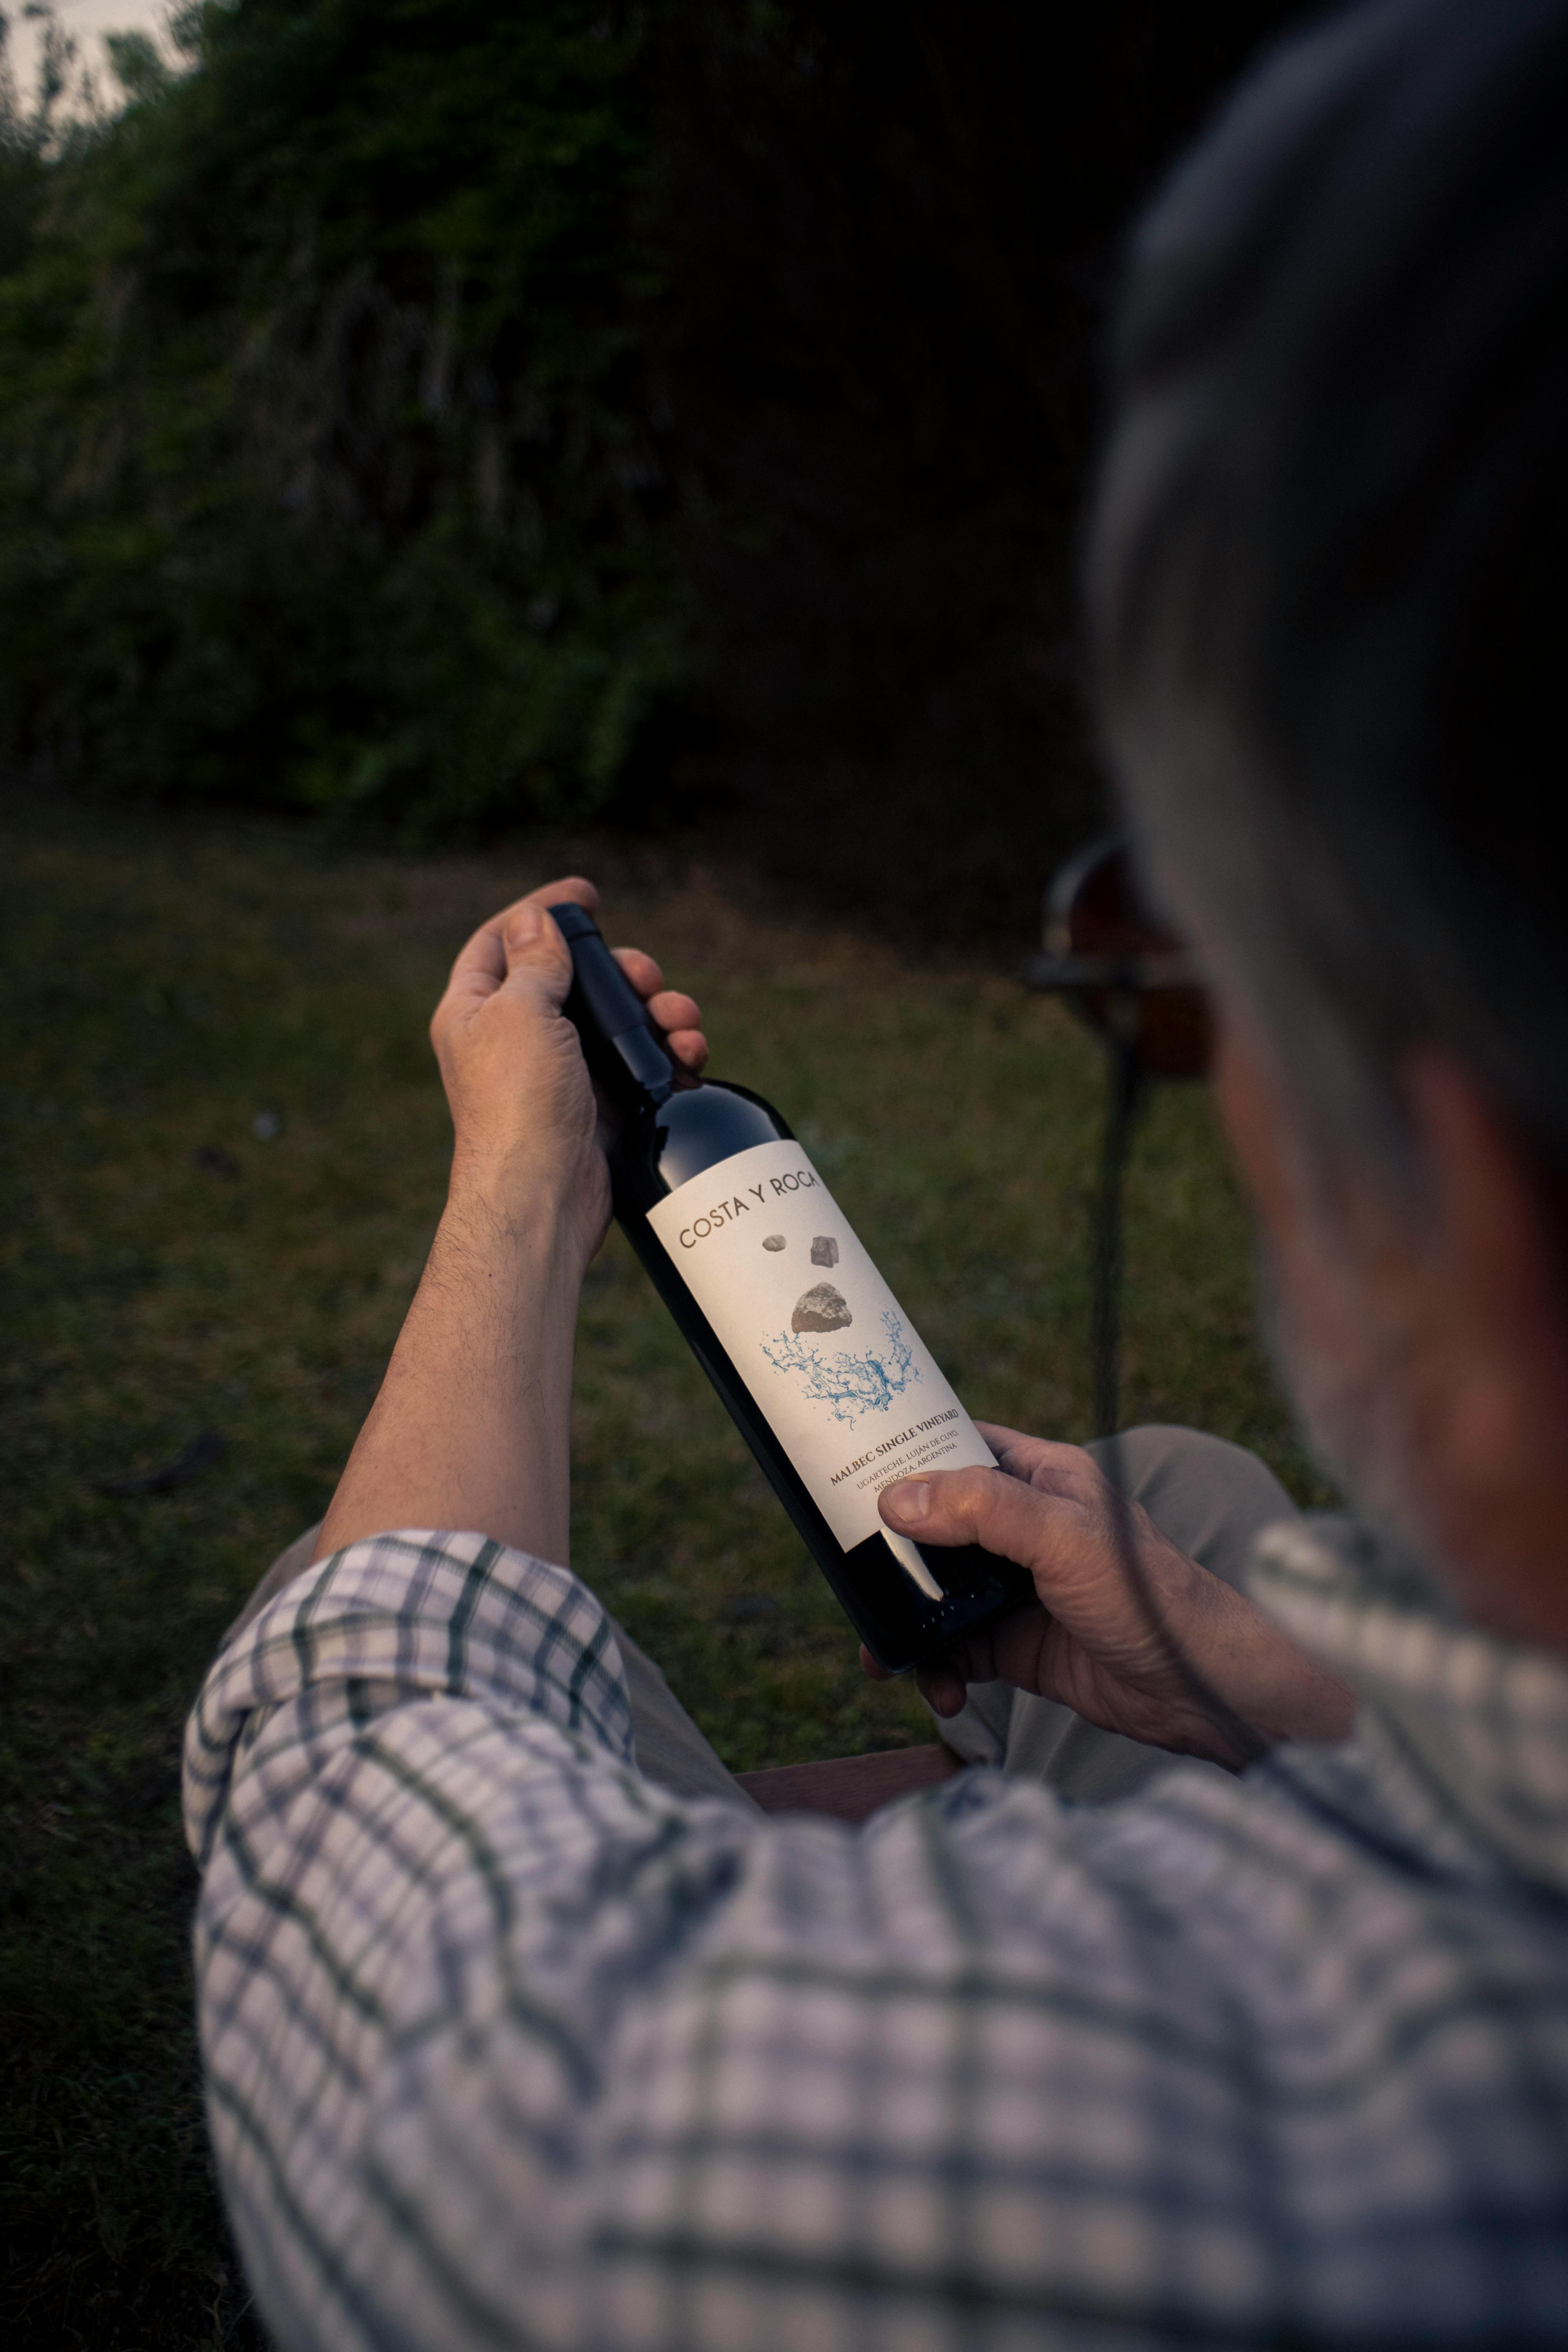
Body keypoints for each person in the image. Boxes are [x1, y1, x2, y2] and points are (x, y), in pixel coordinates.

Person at [184, 0, 1568, 2341]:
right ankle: (986, 1784)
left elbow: (352, 1752)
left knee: (564, 1688)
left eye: (1178, 977)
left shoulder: (1197, 2114)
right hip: (1272, 1705)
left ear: (1453, 1174)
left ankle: (825, 1846)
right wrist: (1271, 1681)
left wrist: (527, 1171)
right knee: (1171, 1497)